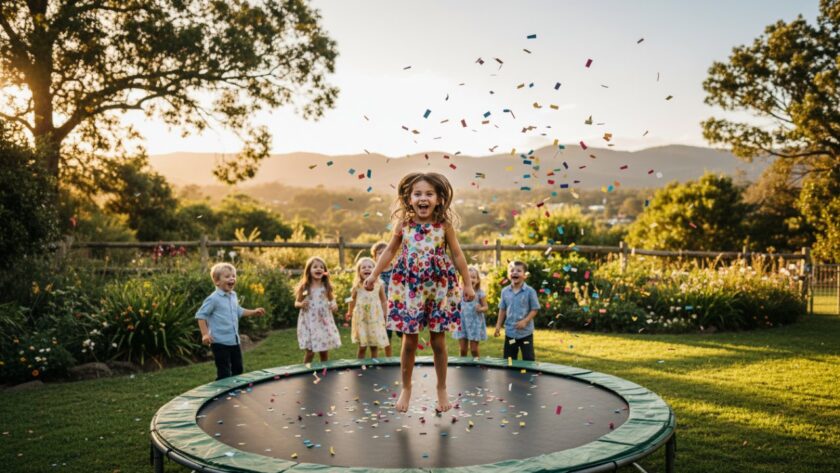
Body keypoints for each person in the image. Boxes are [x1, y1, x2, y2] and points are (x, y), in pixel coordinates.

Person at [364, 172, 474, 413]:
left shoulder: (444, 225)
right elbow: (390, 251)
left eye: (429, 194)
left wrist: (467, 283)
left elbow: (457, 254)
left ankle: (441, 387)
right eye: (418, 194)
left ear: (438, 199)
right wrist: (373, 275)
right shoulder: (404, 224)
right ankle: (406, 387)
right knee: (409, 340)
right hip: (409, 288)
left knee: (438, 341)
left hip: (438, 288)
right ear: (409, 198)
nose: (423, 198)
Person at [196, 262, 266, 380]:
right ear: (217, 281)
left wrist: (253, 312)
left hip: (234, 341)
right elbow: (201, 315)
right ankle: (222, 395)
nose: (232, 278)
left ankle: (235, 394)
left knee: (238, 369)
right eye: (227, 276)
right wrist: (205, 334)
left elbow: (238, 311)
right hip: (219, 342)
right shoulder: (213, 299)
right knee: (224, 372)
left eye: (233, 276)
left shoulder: (233, 295)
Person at [295, 256, 341, 363]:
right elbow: (296, 303)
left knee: (324, 351)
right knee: (310, 352)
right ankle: (305, 372)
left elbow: (332, 301)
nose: (318, 269)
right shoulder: (305, 287)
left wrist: (334, 305)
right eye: (315, 267)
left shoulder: (326, 287)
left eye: (321, 267)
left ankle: (324, 370)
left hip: (323, 323)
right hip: (309, 323)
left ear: (325, 272)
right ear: (309, 271)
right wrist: (301, 304)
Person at [494, 260, 539, 361]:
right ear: (508, 274)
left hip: (525, 334)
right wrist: (498, 325)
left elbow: (535, 309)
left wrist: (525, 321)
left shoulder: (530, 291)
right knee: (509, 360)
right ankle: (510, 376)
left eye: (518, 271)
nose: (515, 272)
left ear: (525, 275)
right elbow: (502, 309)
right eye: (512, 270)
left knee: (528, 359)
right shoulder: (505, 291)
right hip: (510, 333)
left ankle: (529, 376)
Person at [348, 257, 390, 359]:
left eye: (370, 267)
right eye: (364, 267)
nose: (367, 269)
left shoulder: (379, 285)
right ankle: (360, 366)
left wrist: (385, 314)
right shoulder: (357, 286)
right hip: (361, 319)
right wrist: (349, 312)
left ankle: (374, 366)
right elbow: (352, 300)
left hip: (375, 319)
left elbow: (384, 301)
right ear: (359, 271)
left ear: (375, 270)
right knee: (362, 346)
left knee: (374, 346)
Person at [452, 266, 488, 357]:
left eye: (473, 277)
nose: (470, 279)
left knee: (474, 350)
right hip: (462, 323)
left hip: (475, 324)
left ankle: (477, 366)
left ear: (478, 280)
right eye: (468, 277)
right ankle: (463, 368)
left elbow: (486, 307)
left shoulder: (480, 293)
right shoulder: (460, 292)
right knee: (463, 350)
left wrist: (480, 309)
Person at [371, 241, 397, 356]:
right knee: (387, 335)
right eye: (379, 253)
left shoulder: (396, 270)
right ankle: (389, 357)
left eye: (385, 253)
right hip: (381, 309)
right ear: (375, 257)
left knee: (405, 334)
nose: (383, 256)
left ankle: (410, 357)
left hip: (397, 306)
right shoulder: (375, 273)